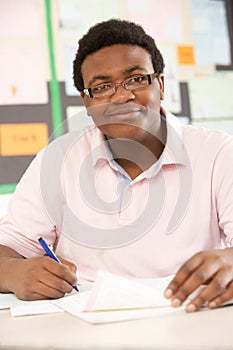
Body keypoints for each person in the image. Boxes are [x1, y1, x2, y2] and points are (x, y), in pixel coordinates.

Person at [0, 19, 233, 313]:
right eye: (102, 87)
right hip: (81, 326)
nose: (122, 96)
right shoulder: (57, 159)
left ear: (160, 84)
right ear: (86, 101)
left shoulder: (218, 152)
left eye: (136, 79)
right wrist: (12, 273)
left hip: (189, 317)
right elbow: (7, 248)